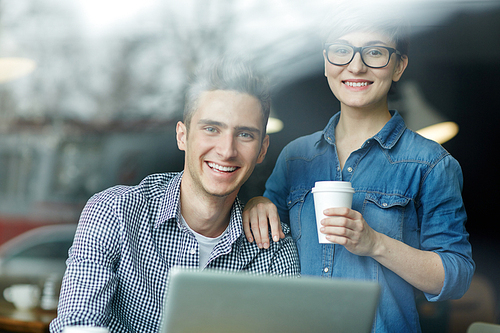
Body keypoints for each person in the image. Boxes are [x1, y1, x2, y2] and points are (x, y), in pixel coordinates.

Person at [242, 5, 474, 333]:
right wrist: (258, 203)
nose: (356, 66)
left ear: (398, 66)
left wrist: (375, 243)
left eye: (375, 53)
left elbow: (456, 277)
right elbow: (265, 247)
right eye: (341, 51)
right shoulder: (295, 157)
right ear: (325, 62)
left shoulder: (431, 164)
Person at [50, 58, 300, 333]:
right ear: (182, 136)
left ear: (262, 149)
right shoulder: (114, 211)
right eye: (211, 129)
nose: (227, 150)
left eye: (244, 135)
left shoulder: (274, 249)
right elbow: (78, 325)